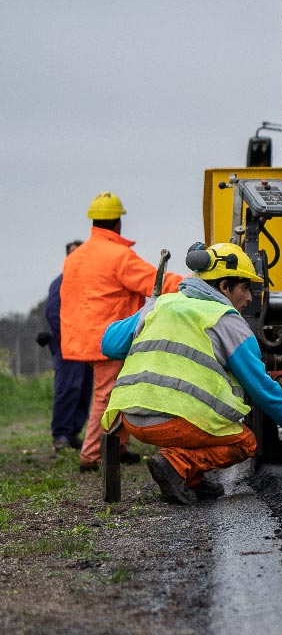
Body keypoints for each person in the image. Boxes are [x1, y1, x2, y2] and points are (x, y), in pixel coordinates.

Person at [100, 243, 282, 504]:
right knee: (244, 442)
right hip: (173, 423)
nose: (249, 299)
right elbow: (264, 390)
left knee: (203, 423)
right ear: (224, 287)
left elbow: (109, 344)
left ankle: (194, 480)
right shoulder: (226, 320)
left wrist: (146, 310)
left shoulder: (162, 305)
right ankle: (177, 463)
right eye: (245, 288)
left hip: (132, 419)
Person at [61, 193, 182, 471]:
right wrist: (193, 285)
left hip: (83, 336)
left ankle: (119, 446)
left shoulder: (76, 257)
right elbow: (156, 283)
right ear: (117, 223)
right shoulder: (118, 256)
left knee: (120, 390)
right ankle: (91, 456)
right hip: (110, 338)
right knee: (106, 395)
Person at [39, 241, 86, 454]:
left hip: (85, 346)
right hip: (67, 346)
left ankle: (73, 432)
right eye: (73, 254)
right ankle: (60, 435)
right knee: (67, 388)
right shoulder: (61, 282)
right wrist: (67, 338)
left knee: (83, 390)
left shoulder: (85, 282)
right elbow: (52, 313)